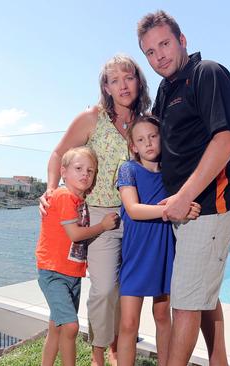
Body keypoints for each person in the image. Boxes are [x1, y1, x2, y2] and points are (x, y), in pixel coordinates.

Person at [137, 11, 230, 366]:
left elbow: (226, 139)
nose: (159, 56)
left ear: (182, 41)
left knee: (184, 304)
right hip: (186, 210)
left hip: (209, 207)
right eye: (149, 52)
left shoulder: (206, 73)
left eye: (164, 44)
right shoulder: (166, 91)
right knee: (203, 295)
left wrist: (184, 197)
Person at [39, 54, 151, 366]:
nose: (123, 85)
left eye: (128, 78)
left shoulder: (146, 123)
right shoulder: (92, 118)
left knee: (125, 288)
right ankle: (99, 352)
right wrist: (50, 189)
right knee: (103, 289)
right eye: (114, 80)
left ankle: (116, 343)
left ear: (138, 81)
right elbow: (58, 154)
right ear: (106, 86)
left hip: (137, 214)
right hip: (101, 214)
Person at [116, 115, 200, 366]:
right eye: (141, 140)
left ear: (162, 138)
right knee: (129, 322)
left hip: (164, 252)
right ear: (133, 146)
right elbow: (133, 209)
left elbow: (184, 205)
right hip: (136, 254)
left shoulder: (171, 173)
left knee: (163, 315)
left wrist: (188, 208)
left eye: (153, 136)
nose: (148, 143)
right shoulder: (128, 170)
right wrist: (174, 208)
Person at [36, 146, 120, 366]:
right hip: (54, 272)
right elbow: (74, 234)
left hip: (71, 273)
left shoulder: (79, 200)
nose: (85, 174)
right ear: (63, 172)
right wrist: (102, 226)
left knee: (57, 326)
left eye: (90, 171)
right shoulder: (63, 195)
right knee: (71, 327)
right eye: (78, 168)